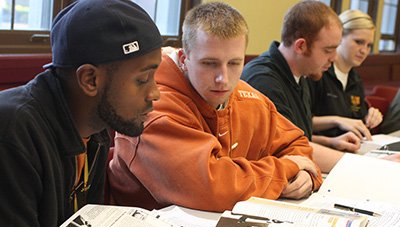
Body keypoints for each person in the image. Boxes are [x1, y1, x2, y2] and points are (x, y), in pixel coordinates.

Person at [108, 2, 322, 212]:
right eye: (209, 63)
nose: (223, 79)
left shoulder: (248, 98)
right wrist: (288, 168)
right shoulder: (149, 104)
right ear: (184, 59)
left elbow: (296, 145)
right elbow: (213, 187)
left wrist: (306, 177)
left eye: (234, 63)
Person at [0, 0, 162, 227]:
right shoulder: (13, 133)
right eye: (142, 80)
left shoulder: (95, 124)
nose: (155, 93)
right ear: (90, 80)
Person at [241, 1, 358, 173]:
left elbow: (299, 136)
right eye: (328, 50)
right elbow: (287, 147)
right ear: (301, 46)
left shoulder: (303, 73)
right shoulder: (263, 80)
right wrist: (365, 166)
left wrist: (331, 142)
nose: (334, 58)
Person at [309, 10, 382, 140]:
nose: (364, 50)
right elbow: (300, 121)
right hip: (318, 148)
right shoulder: (317, 72)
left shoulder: (356, 80)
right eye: (359, 42)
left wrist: (371, 115)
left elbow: (357, 119)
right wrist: (337, 120)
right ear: (339, 37)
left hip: (350, 147)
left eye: (368, 45)